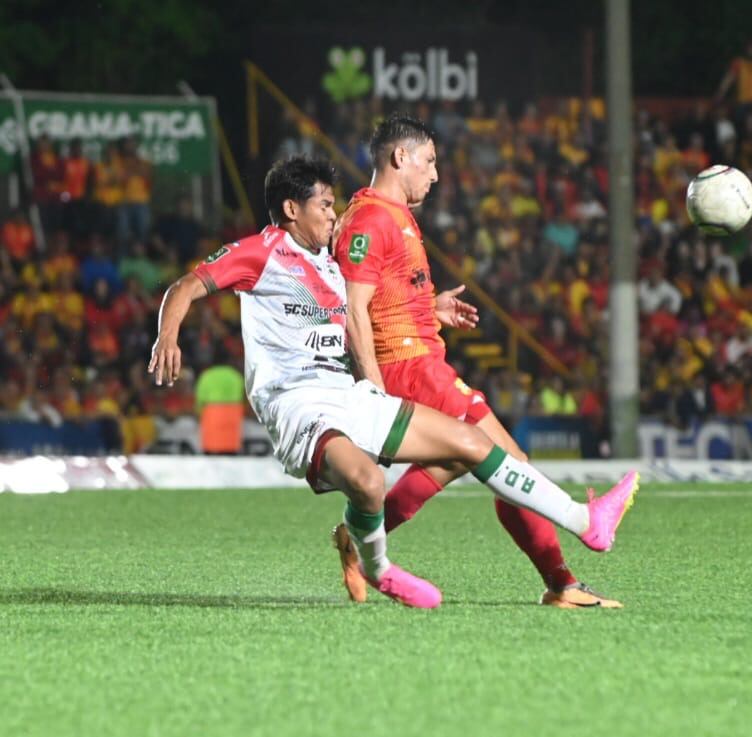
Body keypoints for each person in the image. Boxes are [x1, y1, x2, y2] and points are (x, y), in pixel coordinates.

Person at [148, 154, 639, 610]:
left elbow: (371, 305)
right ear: (291, 209)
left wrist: (429, 308)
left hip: (346, 392)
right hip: (297, 403)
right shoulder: (262, 251)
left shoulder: (329, 261)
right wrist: (167, 337)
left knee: (472, 443)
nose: (333, 214)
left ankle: (585, 521)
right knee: (368, 482)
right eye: (324, 205)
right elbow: (186, 286)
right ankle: (378, 567)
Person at [332, 114, 625, 608]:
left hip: (419, 358)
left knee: (451, 461)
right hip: (409, 367)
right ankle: (565, 577)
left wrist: (430, 308)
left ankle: (355, 532)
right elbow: (352, 307)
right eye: (429, 161)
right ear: (400, 157)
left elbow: (383, 297)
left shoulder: (389, 215)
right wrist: (375, 393)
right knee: (512, 464)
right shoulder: (371, 219)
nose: (435, 174)